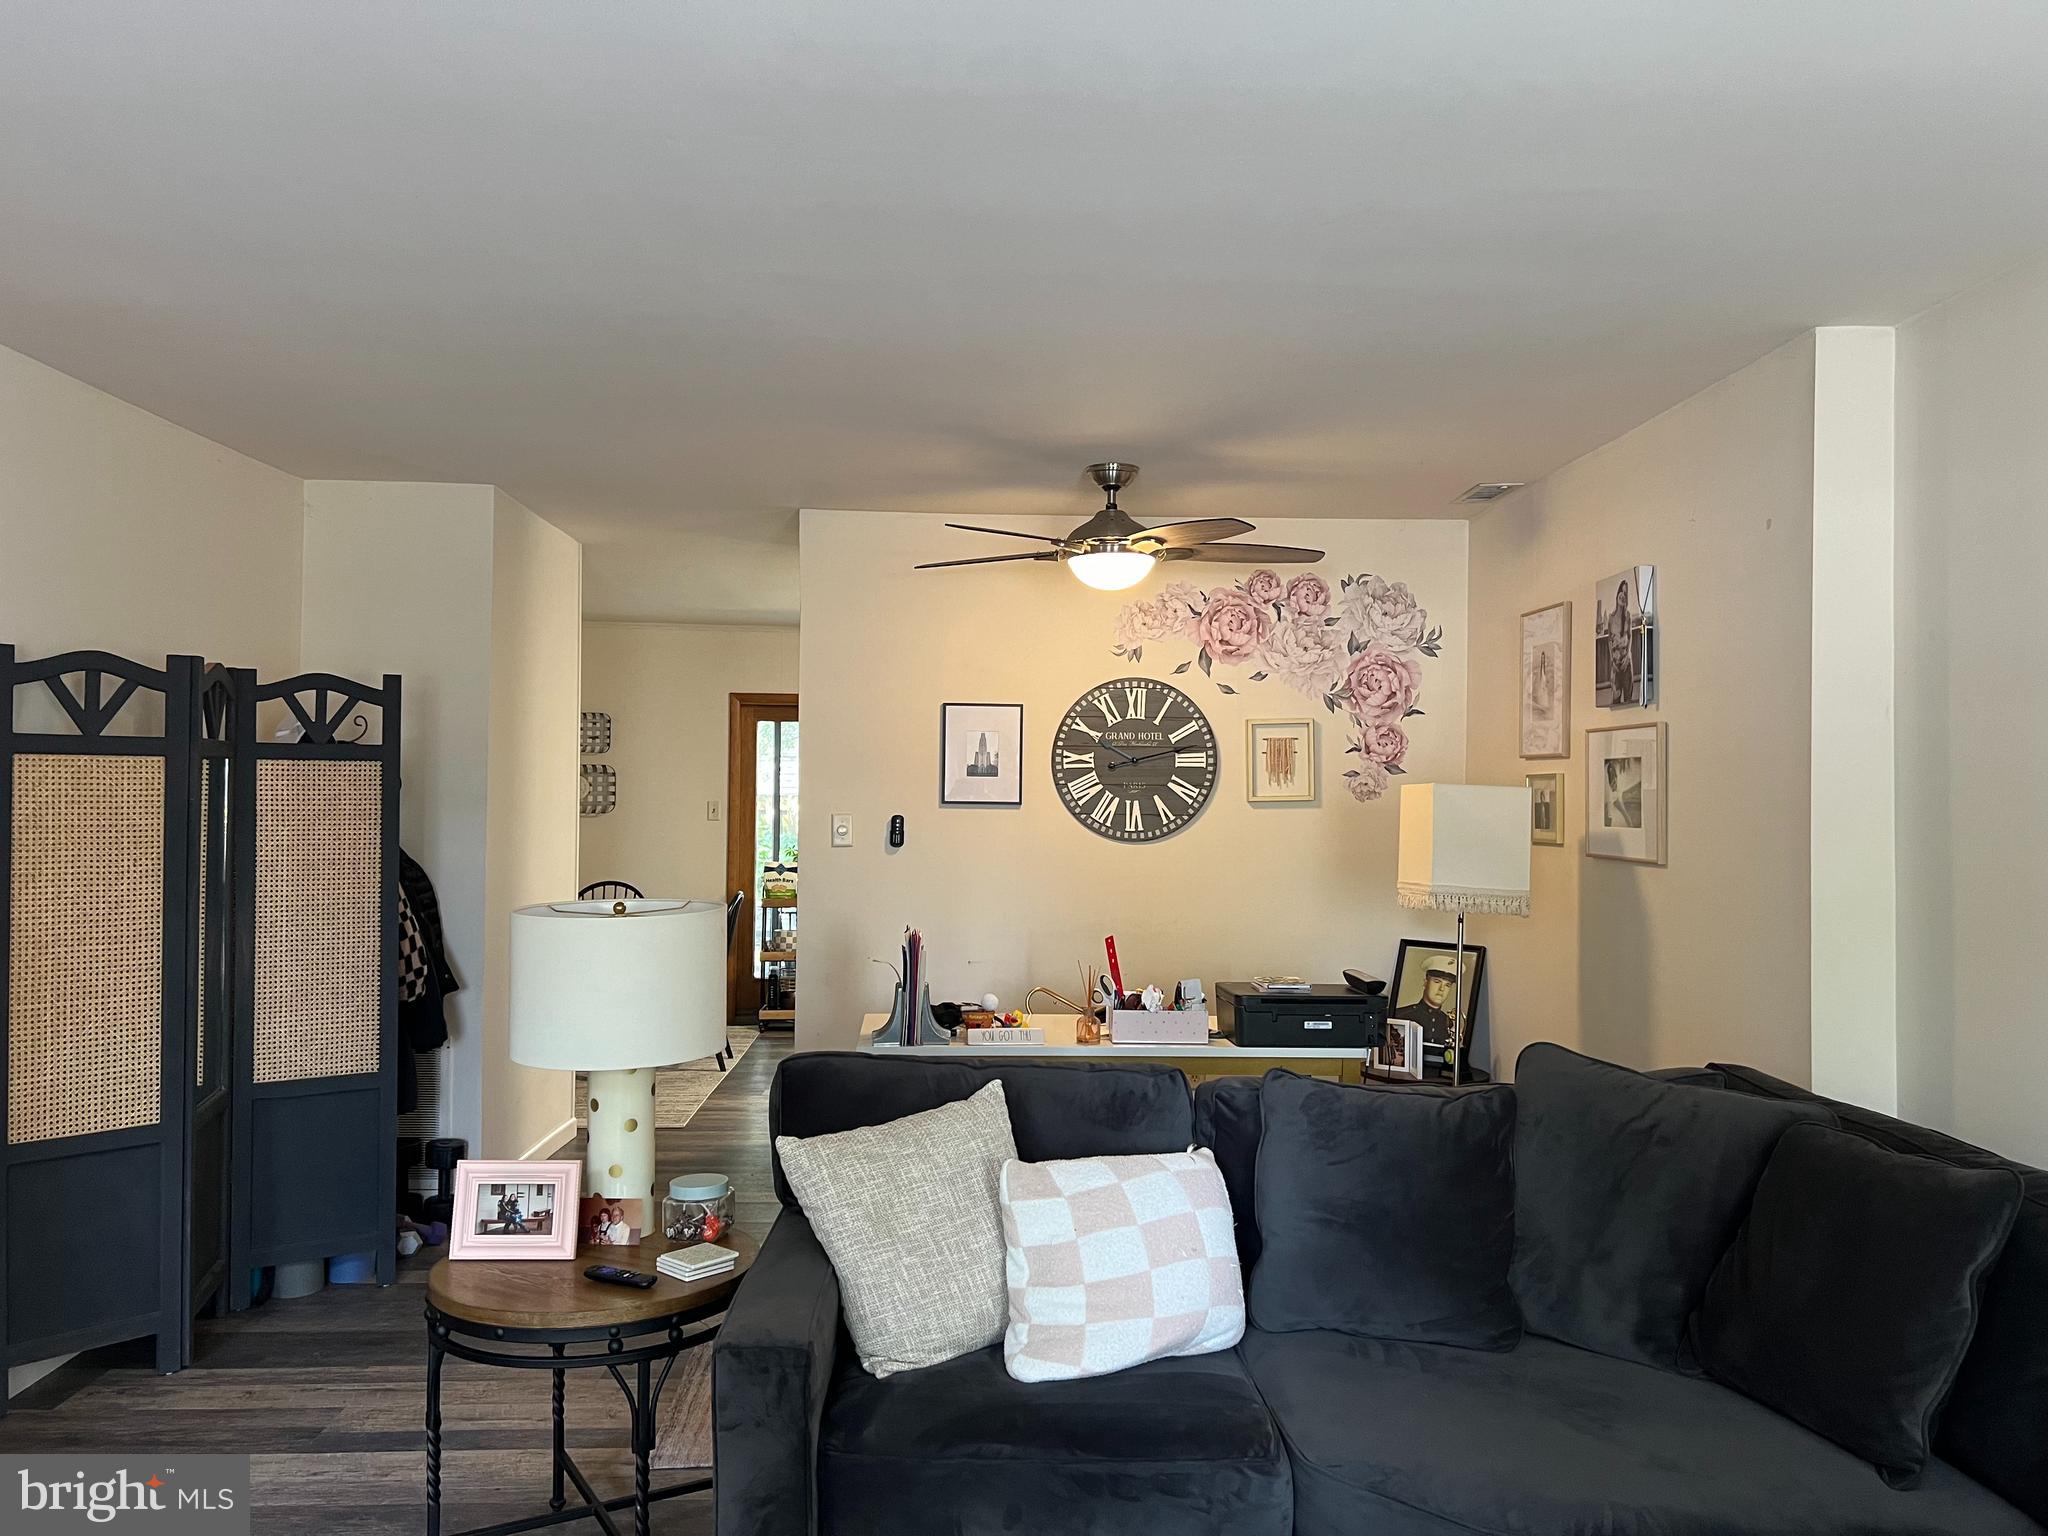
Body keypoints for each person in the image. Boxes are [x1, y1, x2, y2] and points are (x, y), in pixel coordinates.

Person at [1392, 956, 1461, 1046]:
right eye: (1437, 981)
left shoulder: (1449, 1023)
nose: (1442, 989)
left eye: (1447, 985)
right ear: (1425, 982)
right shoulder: (1401, 1015)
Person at [1606, 579, 1635, 705]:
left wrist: (1628, 656)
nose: (1623, 595)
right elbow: (1609, 640)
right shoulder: (1611, 618)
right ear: (1618, 593)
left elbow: (1630, 636)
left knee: (1628, 698)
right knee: (1615, 698)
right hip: (1615, 664)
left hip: (1626, 661)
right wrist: (1613, 660)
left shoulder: (1628, 616)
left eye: (1626, 594)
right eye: (1621, 592)